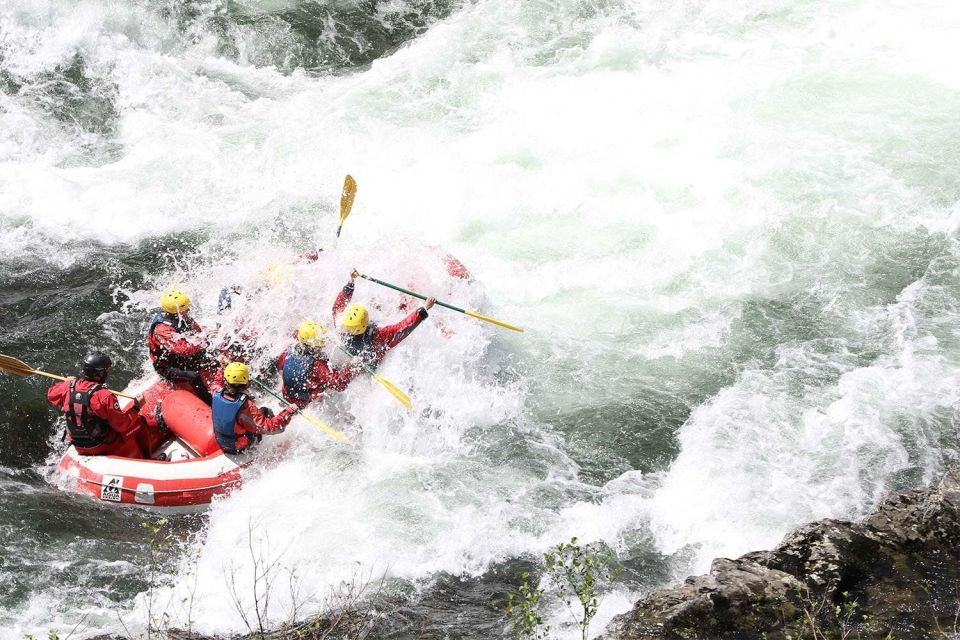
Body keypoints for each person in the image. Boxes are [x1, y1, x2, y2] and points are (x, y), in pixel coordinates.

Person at [47, 352, 147, 458]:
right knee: (140, 421)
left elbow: (51, 395)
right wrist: (136, 407)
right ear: (98, 373)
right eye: (105, 370)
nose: (106, 373)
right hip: (100, 445)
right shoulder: (104, 395)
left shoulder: (67, 386)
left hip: (78, 445)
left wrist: (66, 382)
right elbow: (122, 425)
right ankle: (147, 458)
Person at [332, 270, 436, 370]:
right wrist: (424, 309)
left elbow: (339, 302)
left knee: (377, 305)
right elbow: (402, 328)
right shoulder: (377, 337)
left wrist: (351, 281)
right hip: (372, 362)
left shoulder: (339, 323)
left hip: (356, 356)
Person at [212, 362, 297, 455]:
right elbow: (270, 427)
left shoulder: (215, 391)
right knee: (265, 411)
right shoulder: (246, 407)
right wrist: (288, 412)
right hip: (237, 447)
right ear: (247, 384)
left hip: (220, 440)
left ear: (226, 380)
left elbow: (217, 382)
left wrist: (222, 369)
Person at [147, 289, 214, 404]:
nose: (188, 310)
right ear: (175, 312)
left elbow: (197, 331)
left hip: (179, 357)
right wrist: (203, 340)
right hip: (167, 365)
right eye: (185, 309)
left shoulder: (183, 317)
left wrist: (208, 334)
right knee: (194, 376)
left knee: (211, 356)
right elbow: (182, 350)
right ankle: (209, 402)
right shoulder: (162, 329)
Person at [277, 320, 357, 408]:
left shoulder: (287, 352)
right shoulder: (317, 366)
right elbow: (338, 384)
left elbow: (281, 367)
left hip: (287, 393)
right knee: (326, 380)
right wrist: (351, 366)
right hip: (305, 401)